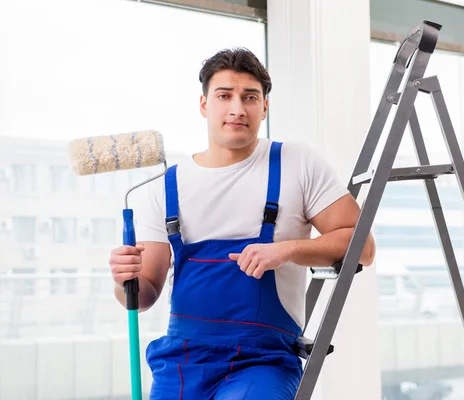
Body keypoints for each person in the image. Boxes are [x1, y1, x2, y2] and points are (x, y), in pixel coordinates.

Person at [108, 47, 376, 400]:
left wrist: (288, 249)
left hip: (262, 362)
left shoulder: (296, 164)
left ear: (264, 107)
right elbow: (144, 295)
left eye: (250, 97)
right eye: (224, 96)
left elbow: (363, 247)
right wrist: (124, 280)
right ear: (204, 104)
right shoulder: (163, 187)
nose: (237, 108)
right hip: (183, 361)